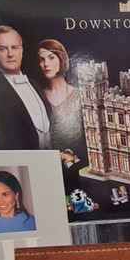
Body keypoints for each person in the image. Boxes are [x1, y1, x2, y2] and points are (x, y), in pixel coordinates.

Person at [0, 25, 51, 150]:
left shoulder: (35, 84)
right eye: (3, 49)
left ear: (21, 50)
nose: (10, 54)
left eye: (14, 48)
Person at [36, 38, 88, 188]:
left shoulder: (80, 95)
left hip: (77, 171)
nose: (46, 64)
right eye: (42, 59)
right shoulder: (38, 97)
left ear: (62, 59)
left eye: (51, 57)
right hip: (47, 172)